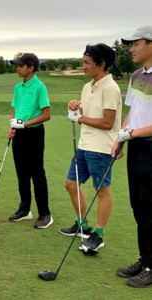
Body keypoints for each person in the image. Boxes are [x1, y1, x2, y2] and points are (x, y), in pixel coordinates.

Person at [59, 43, 122, 255]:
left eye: (87, 63)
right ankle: (83, 226)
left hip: (102, 149)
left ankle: (99, 234)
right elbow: (88, 112)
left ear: (101, 64)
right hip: (85, 145)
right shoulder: (88, 86)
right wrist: (76, 106)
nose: (83, 66)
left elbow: (108, 122)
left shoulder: (110, 88)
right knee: (70, 184)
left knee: (102, 191)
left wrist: (81, 117)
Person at [115, 25, 152, 288]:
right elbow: (133, 111)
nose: (131, 48)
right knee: (138, 206)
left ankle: (151, 266)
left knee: (150, 208)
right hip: (136, 144)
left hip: (150, 146)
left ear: (150, 43)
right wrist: (120, 137)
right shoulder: (137, 75)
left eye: (135, 43)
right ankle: (146, 258)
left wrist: (133, 134)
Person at [7, 52, 53, 229]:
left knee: (37, 174)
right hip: (19, 134)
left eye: (20, 65)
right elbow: (14, 108)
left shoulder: (40, 87)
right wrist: (12, 124)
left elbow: (46, 115)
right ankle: (24, 210)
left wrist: (24, 124)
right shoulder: (18, 87)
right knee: (22, 173)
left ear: (31, 67)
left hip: (34, 134)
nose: (17, 68)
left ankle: (45, 214)